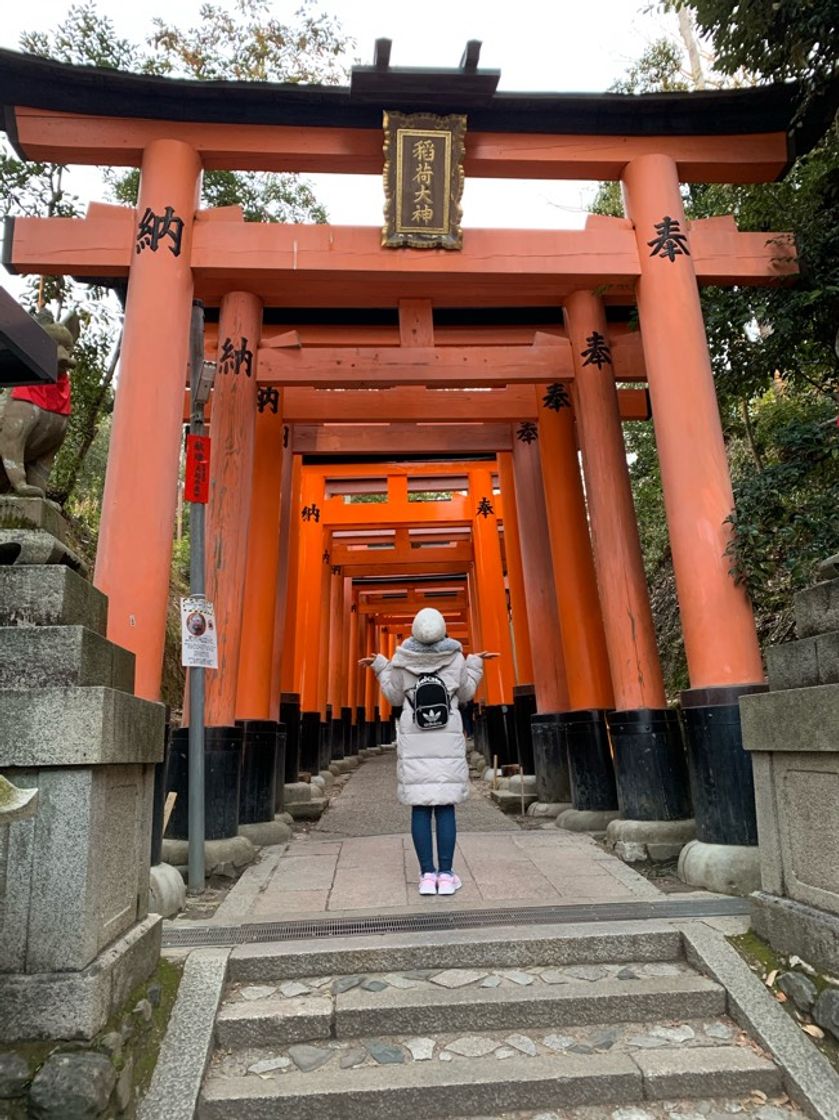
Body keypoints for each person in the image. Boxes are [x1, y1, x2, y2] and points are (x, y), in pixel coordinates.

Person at [360, 607, 498, 897]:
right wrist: (473, 664)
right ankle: (446, 876)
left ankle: (426, 876)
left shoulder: (401, 660)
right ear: (443, 630)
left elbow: (395, 697)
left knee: (421, 808)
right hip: (446, 737)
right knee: (445, 806)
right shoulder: (456, 658)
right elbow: (466, 694)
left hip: (416, 738)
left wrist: (382, 667)